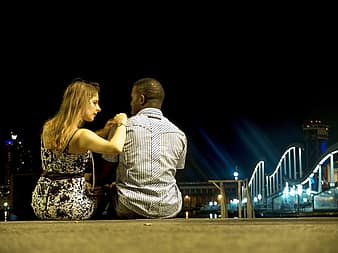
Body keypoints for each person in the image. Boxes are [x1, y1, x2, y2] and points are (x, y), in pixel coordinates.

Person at [31, 78, 128, 220]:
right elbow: (115, 147)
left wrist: (103, 132)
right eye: (94, 102)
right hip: (69, 208)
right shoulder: (82, 135)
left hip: (41, 204)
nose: (99, 108)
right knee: (108, 192)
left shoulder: (49, 127)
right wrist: (122, 123)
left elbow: (72, 142)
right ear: (80, 102)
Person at [102, 77, 187, 219]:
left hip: (128, 206)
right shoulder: (179, 134)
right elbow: (174, 170)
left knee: (108, 189)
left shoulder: (124, 127)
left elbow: (106, 168)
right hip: (169, 208)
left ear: (141, 99)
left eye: (132, 99)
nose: (130, 103)